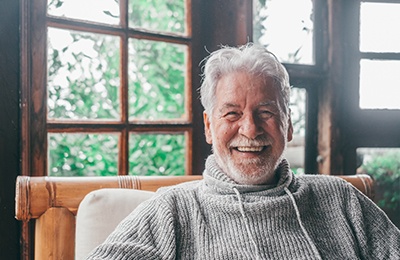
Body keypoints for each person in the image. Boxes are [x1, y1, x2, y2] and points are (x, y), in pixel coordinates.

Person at [87, 43, 400, 259]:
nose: (250, 130)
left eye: (266, 113)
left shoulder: (341, 200)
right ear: (209, 126)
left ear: (288, 125)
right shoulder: (172, 211)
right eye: (232, 114)